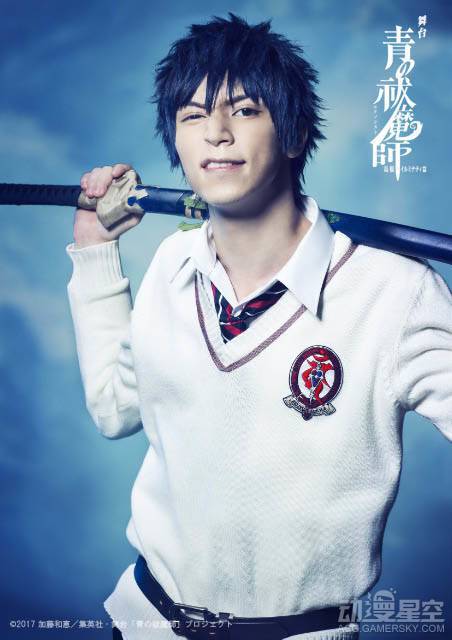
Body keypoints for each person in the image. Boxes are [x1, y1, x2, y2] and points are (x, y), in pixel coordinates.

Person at [65, 12, 452, 640]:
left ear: (294, 133)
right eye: (192, 116)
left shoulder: (395, 292)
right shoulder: (171, 264)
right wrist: (93, 250)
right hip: (143, 621)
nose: (216, 134)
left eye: (245, 111)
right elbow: (115, 409)